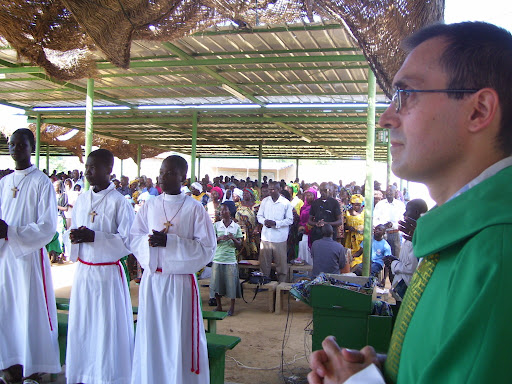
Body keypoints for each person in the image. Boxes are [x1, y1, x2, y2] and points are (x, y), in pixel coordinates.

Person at [308, 21, 512, 384]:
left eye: (406, 94)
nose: (386, 119)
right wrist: (386, 372)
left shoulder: (497, 253)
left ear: (478, 110)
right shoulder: (468, 236)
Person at [130, 155, 216, 384]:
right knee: (152, 337)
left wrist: (171, 242)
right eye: (161, 171)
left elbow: (207, 248)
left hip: (180, 285)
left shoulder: (195, 209)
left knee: (177, 338)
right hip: (153, 281)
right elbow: (134, 236)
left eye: (169, 173)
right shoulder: (150, 205)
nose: (162, 177)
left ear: (183, 177)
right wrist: (150, 247)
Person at [63, 149, 135, 384]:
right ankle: (83, 373)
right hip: (84, 272)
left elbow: (128, 242)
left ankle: (106, 376)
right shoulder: (82, 199)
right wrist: (73, 237)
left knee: (106, 327)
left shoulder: (119, 202)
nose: (88, 172)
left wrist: (96, 238)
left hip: (107, 274)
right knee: (84, 325)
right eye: (86, 167)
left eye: (93, 167)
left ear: (108, 170)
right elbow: (70, 232)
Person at [0, 129, 60, 384]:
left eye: (21, 145)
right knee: (7, 311)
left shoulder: (41, 182)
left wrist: (11, 231)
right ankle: (9, 365)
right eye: (11, 145)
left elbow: (48, 227)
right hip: (5, 259)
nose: (15, 149)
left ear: (31, 147)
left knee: (29, 311)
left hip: (29, 259)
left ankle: (32, 369)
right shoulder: (3, 182)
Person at [383, 199, 428, 308]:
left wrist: (393, 263)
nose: (404, 214)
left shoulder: (420, 234)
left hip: (409, 287)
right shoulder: (414, 233)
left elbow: (411, 268)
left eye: (407, 210)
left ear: (416, 212)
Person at [256, 181, 293, 282]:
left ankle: (282, 284)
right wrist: (264, 221)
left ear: (279, 189)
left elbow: (290, 220)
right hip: (266, 237)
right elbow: (259, 216)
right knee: (264, 264)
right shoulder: (265, 201)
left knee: (281, 264)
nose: (271, 191)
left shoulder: (285, 203)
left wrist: (276, 223)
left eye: (273, 189)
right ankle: (264, 283)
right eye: (269, 189)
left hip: (279, 238)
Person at [212, 203, 243, 316]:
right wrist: (219, 238)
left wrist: (233, 239)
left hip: (230, 259)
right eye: (221, 211)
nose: (222, 212)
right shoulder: (216, 225)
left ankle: (232, 307)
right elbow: (211, 241)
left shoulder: (236, 227)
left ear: (230, 212)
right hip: (218, 258)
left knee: (231, 285)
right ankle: (219, 305)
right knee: (217, 284)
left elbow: (240, 245)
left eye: (224, 210)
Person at [373, 185, 406, 258]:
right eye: (387, 190)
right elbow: (374, 219)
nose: (389, 192)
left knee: (395, 257)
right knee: (380, 257)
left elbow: (403, 220)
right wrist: (383, 226)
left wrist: (392, 225)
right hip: (382, 234)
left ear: (395, 192)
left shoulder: (400, 205)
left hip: (395, 234)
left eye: (391, 190)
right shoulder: (380, 204)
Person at [235, 188, 260, 260]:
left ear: (251, 195)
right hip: (241, 230)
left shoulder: (256, 206)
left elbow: (260, 218)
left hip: (253, 231)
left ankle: (252, 267)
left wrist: (257, 227)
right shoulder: (237, 205)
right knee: (242, 248)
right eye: (243, 194)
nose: (245, 195)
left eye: (246, 193)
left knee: (254, 249)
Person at [344, 194, 365, 266]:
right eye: (354, 205)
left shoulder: (365, 213)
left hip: (360, 239)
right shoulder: (347, 213)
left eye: (358, 205)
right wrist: (348, 227)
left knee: (360, 257)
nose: (356, 206)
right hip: (349, 239)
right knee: (349, 257)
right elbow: (343, 226)